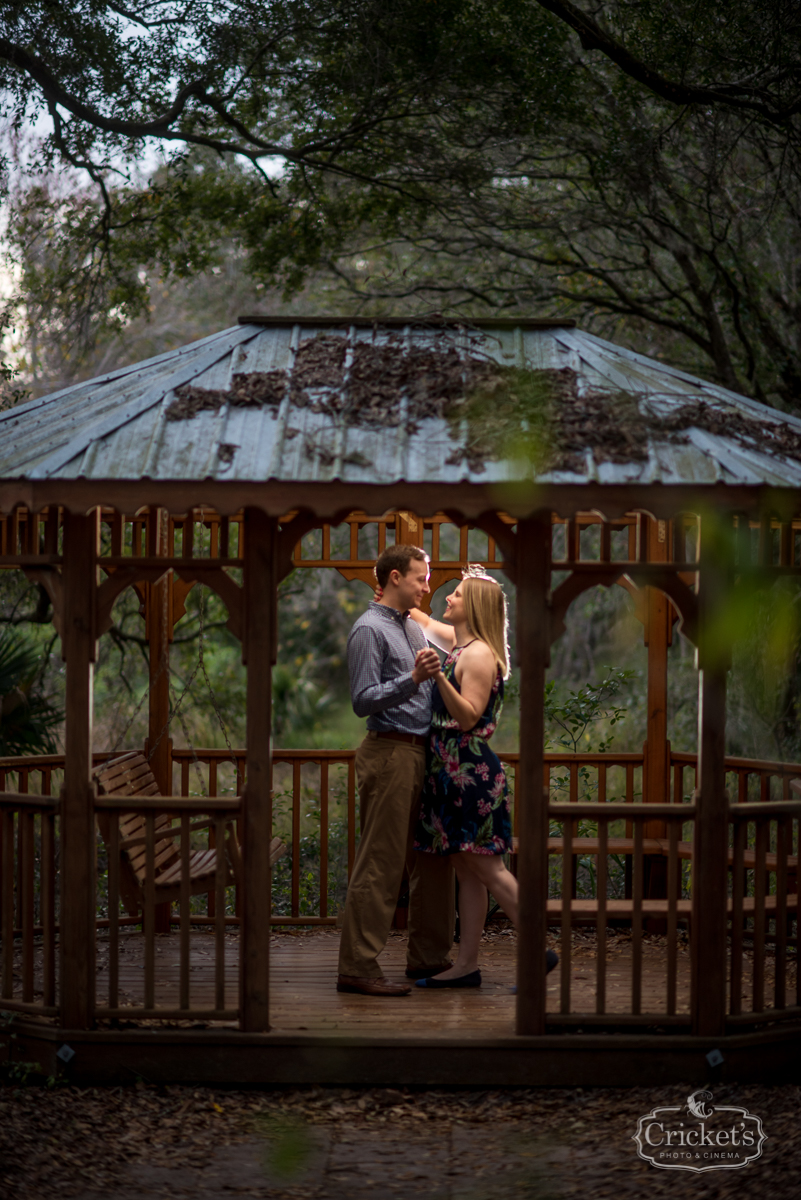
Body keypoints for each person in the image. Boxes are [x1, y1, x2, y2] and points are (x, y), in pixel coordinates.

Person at [409, 570, 558, 988]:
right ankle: (466, 965)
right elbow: (423, 622)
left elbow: (469, 716)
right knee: (467, 870)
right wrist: (397, 595)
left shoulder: (476, 655)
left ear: (473, 605)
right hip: (449, 770)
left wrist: (437, 675)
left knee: (488, 868)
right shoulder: (462, 644)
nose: (448, 599)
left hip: (468, 773)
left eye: (456, 594)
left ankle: (537, 951)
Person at [336, 544, 456, 997]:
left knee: (433, 859)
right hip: (390, 753)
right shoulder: (368, 630)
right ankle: (358, 967)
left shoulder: (410, 627)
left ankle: (430, 958)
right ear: (392, 579)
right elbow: (362, 700)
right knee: (382, 863)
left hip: (424, 754)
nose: (427, 586)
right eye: (421, 578)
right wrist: (414, 680)